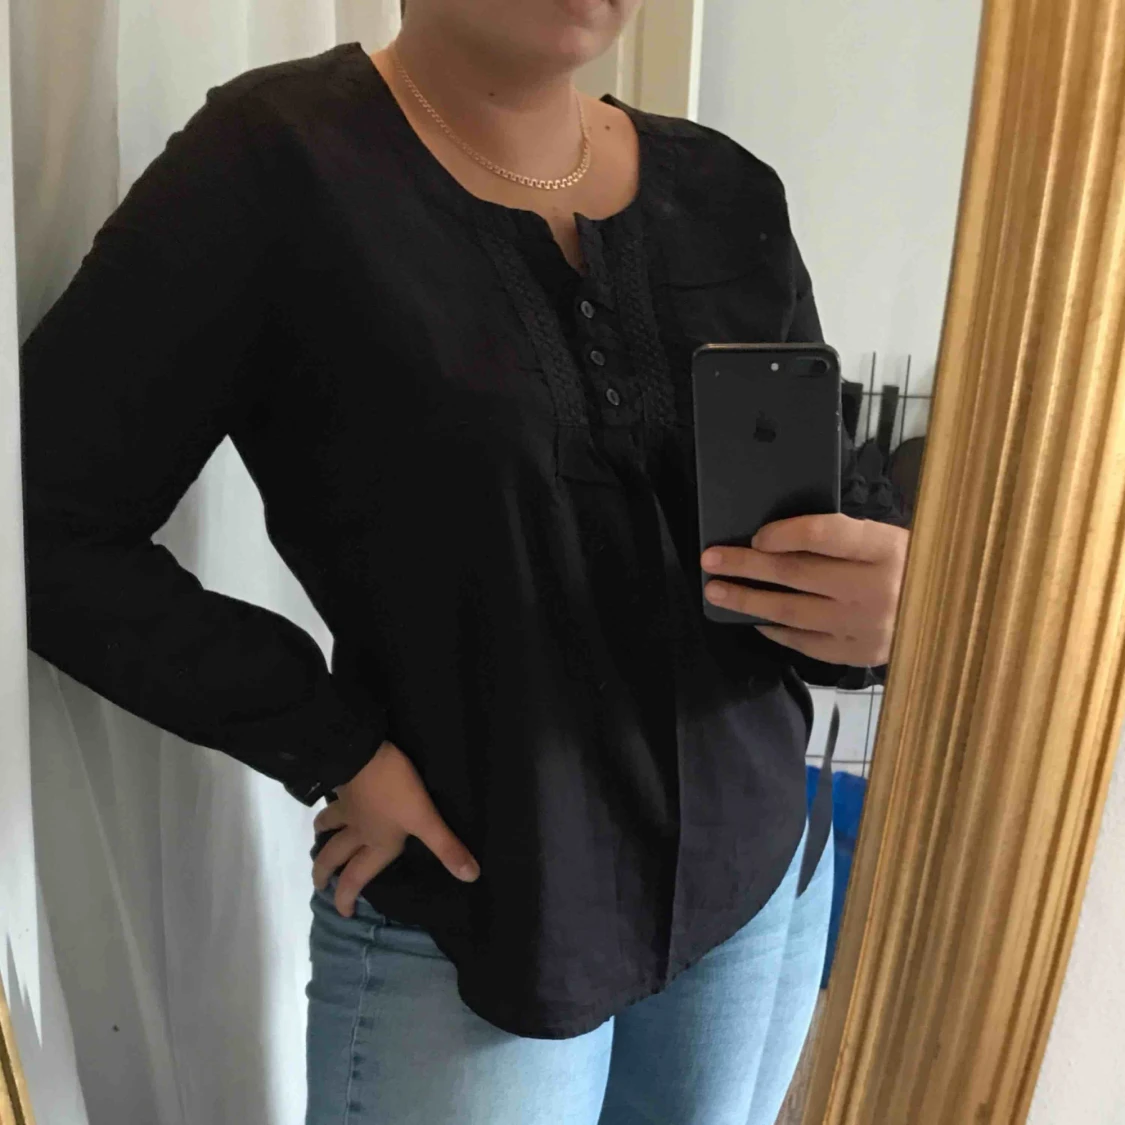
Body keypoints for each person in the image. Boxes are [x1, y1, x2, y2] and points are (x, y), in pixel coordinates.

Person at [19, 1, 909, 1122]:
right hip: (478, 905)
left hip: (754, 876)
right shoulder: (275, 166)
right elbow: (42, 518)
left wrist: (891, 597)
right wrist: (328, 739)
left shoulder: (727, 192)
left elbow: (829, 495)